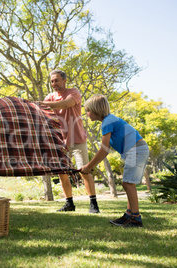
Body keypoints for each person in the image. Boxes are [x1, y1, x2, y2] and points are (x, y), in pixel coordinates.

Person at [81, 94, 149, 227]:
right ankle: (129, 215)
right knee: (128, 183)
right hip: (137, 149)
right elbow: (105, 151)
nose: (87, 114)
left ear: (95, 109)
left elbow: (104, 149)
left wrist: (89, 166)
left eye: (88, 110)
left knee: (128, 184)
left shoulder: (107, 122)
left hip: (136, 149)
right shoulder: (109, 120)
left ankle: (135, 218)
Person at [37, 69, 100, 213]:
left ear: (64, 80)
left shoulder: (74, 93)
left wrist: (43, 103)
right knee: (62, 172)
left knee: (84, 171)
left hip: (77, 139)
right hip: (60, 142)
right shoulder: (50, 97)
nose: (54, 84)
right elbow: (41, 111)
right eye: (52, 81)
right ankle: (69, 204)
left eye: (56, 80)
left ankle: (93, 204)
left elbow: (66, 104)